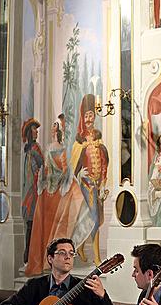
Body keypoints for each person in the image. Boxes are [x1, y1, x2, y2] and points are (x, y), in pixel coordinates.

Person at [25, 115, 93, 276]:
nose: (53, 130)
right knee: (48, 223)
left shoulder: (59, 148)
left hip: (55, 187)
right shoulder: (49, 148)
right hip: (51, 188)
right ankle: (47, 259)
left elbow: (62, 168)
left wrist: (65, 176)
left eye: (55, 127)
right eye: (53, 127)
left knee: (59, 220)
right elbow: (53, 167)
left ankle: (52, 258)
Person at [71, 94, 109, 266]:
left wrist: (103, 182)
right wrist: (80, 175)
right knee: (92, 217)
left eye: (91, 115)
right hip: (85, 186)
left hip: (97, 185)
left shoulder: (99, 139)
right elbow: (74, 167)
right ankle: (96, 256)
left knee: (93, 217)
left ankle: (81, 247)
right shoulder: (79, 141)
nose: (89, 119)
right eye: (86, 116)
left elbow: (104, 161)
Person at [21, 118, 44, 264]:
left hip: (35, 189)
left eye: (37, 130)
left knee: (32, 222)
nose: (36, 132)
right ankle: (27, 253)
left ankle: (30, 254)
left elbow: (42, 166)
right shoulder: (30, 148)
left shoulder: (35, 148)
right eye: (34, 130)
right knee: (29, 221)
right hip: (30, 190)